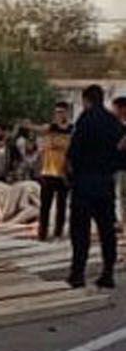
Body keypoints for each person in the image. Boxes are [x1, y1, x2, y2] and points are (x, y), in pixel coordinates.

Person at [66, 85, 124, 289]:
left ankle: (78, 274)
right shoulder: (114, 123)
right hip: (105, 183)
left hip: (84, 183)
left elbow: (73, 152)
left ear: (86, 100)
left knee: (80, 231)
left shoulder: (85, 120)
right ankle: (108, 273)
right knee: (107, 231)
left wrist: (71, 175)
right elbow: (122, 154)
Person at [36, 103, 72, 241]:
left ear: (67, 113)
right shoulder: (50, 128)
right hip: (48, 172)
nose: (59, 114)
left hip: (62, 173)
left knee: (61, 206)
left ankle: (58, 233)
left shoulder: (71, 130)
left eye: (62, 112)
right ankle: (42, 233)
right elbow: (38, 128)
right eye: (57, 112)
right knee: (45, 206)